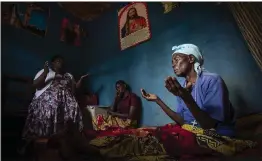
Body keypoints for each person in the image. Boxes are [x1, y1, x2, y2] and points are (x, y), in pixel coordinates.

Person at [54, 45, 257, 160]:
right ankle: (88, 142)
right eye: (172, 61)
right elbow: (181, 121)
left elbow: (209, 126)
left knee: (149, 139)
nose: (173, 63)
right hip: (189, 128)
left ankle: (92, 150)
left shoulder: (212, 81)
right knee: (145, 132)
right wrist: (158, 100)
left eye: (177, 59)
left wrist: (185, 97)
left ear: (192, 60)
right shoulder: (183, 88)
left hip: (213, 134)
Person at [22, 55, 88, 142]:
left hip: (67, 99)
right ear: (52, 63)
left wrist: (81, 80)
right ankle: (48, 137)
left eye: (62, 61)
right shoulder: (46, 72)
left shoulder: (68, 75)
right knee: (53, 105)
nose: (61, 63)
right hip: (48, 96)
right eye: (58, 61)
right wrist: (45, 72)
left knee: (74, 108)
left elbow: (74, 90)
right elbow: (35, 85)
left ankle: (69, 138)